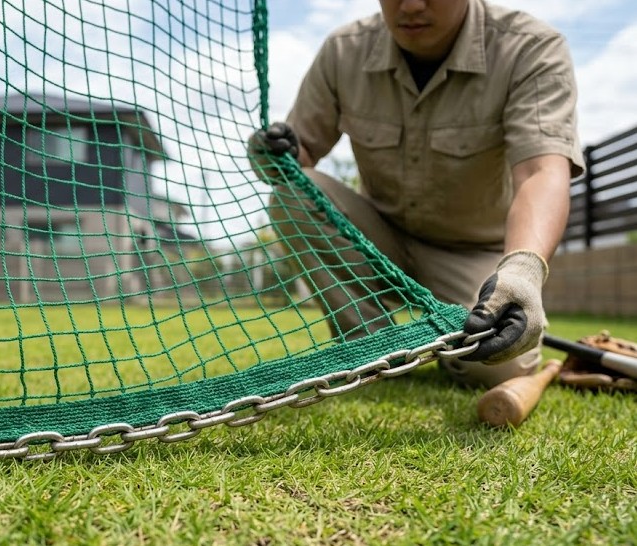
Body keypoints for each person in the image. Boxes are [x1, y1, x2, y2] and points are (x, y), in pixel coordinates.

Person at [248, 0, 584, 388]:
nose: (410, 6)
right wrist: (272, 152)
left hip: (472, 252)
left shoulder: (530, 47)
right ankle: (370, 347)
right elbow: (296, 157)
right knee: (294, 192)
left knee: (495, 366)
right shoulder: (344, 50)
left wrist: (523, 272)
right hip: (377, 240)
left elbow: (541, 172)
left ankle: (450, 344)